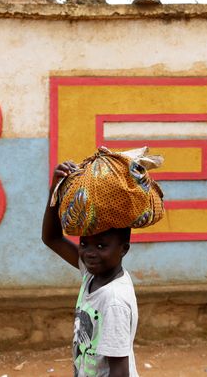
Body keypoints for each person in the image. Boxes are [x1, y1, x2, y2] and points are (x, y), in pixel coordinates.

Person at [42, 160, 140, 377]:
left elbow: (120, 371)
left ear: (124, 249)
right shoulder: (92, 274)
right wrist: (55, 190)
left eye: (101, 246)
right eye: (84, 243)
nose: (89, 253)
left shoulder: (113, 300)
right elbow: (52, 238)